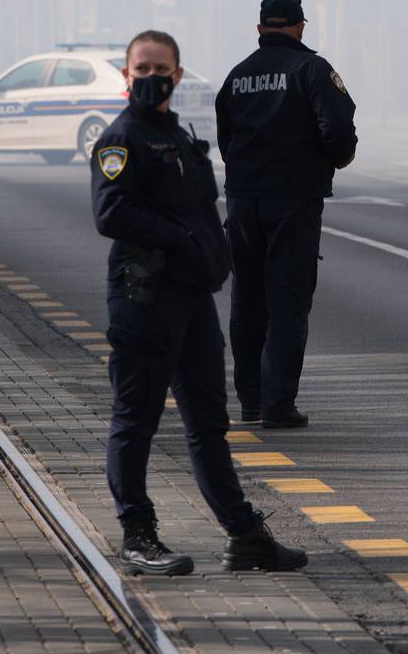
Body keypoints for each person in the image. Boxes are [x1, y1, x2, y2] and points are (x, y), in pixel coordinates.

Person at [91, 29, 307, 577]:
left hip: (191, 302)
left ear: (178, 75)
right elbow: (111, 214)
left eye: (160, 68)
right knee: (136, 420)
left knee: (209, 422)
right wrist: (184, 240)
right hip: (144, 298)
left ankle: (244, 536)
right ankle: (138, 535)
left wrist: (215, 252)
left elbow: (202, 210)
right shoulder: (122, 139)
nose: (151, 77)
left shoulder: (181, 139)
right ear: (126, 75)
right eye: (141, 69)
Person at [216, 0, 357, 430]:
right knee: (287, 300)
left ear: (260, 29)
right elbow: (338, 131)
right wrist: (336, 159)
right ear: (299, 27)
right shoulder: (312, 70)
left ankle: (251, 401)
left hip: (243, 200)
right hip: (292, 202)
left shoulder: (237, 75)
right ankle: (278, 405)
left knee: (248, 299)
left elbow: (225, 138)